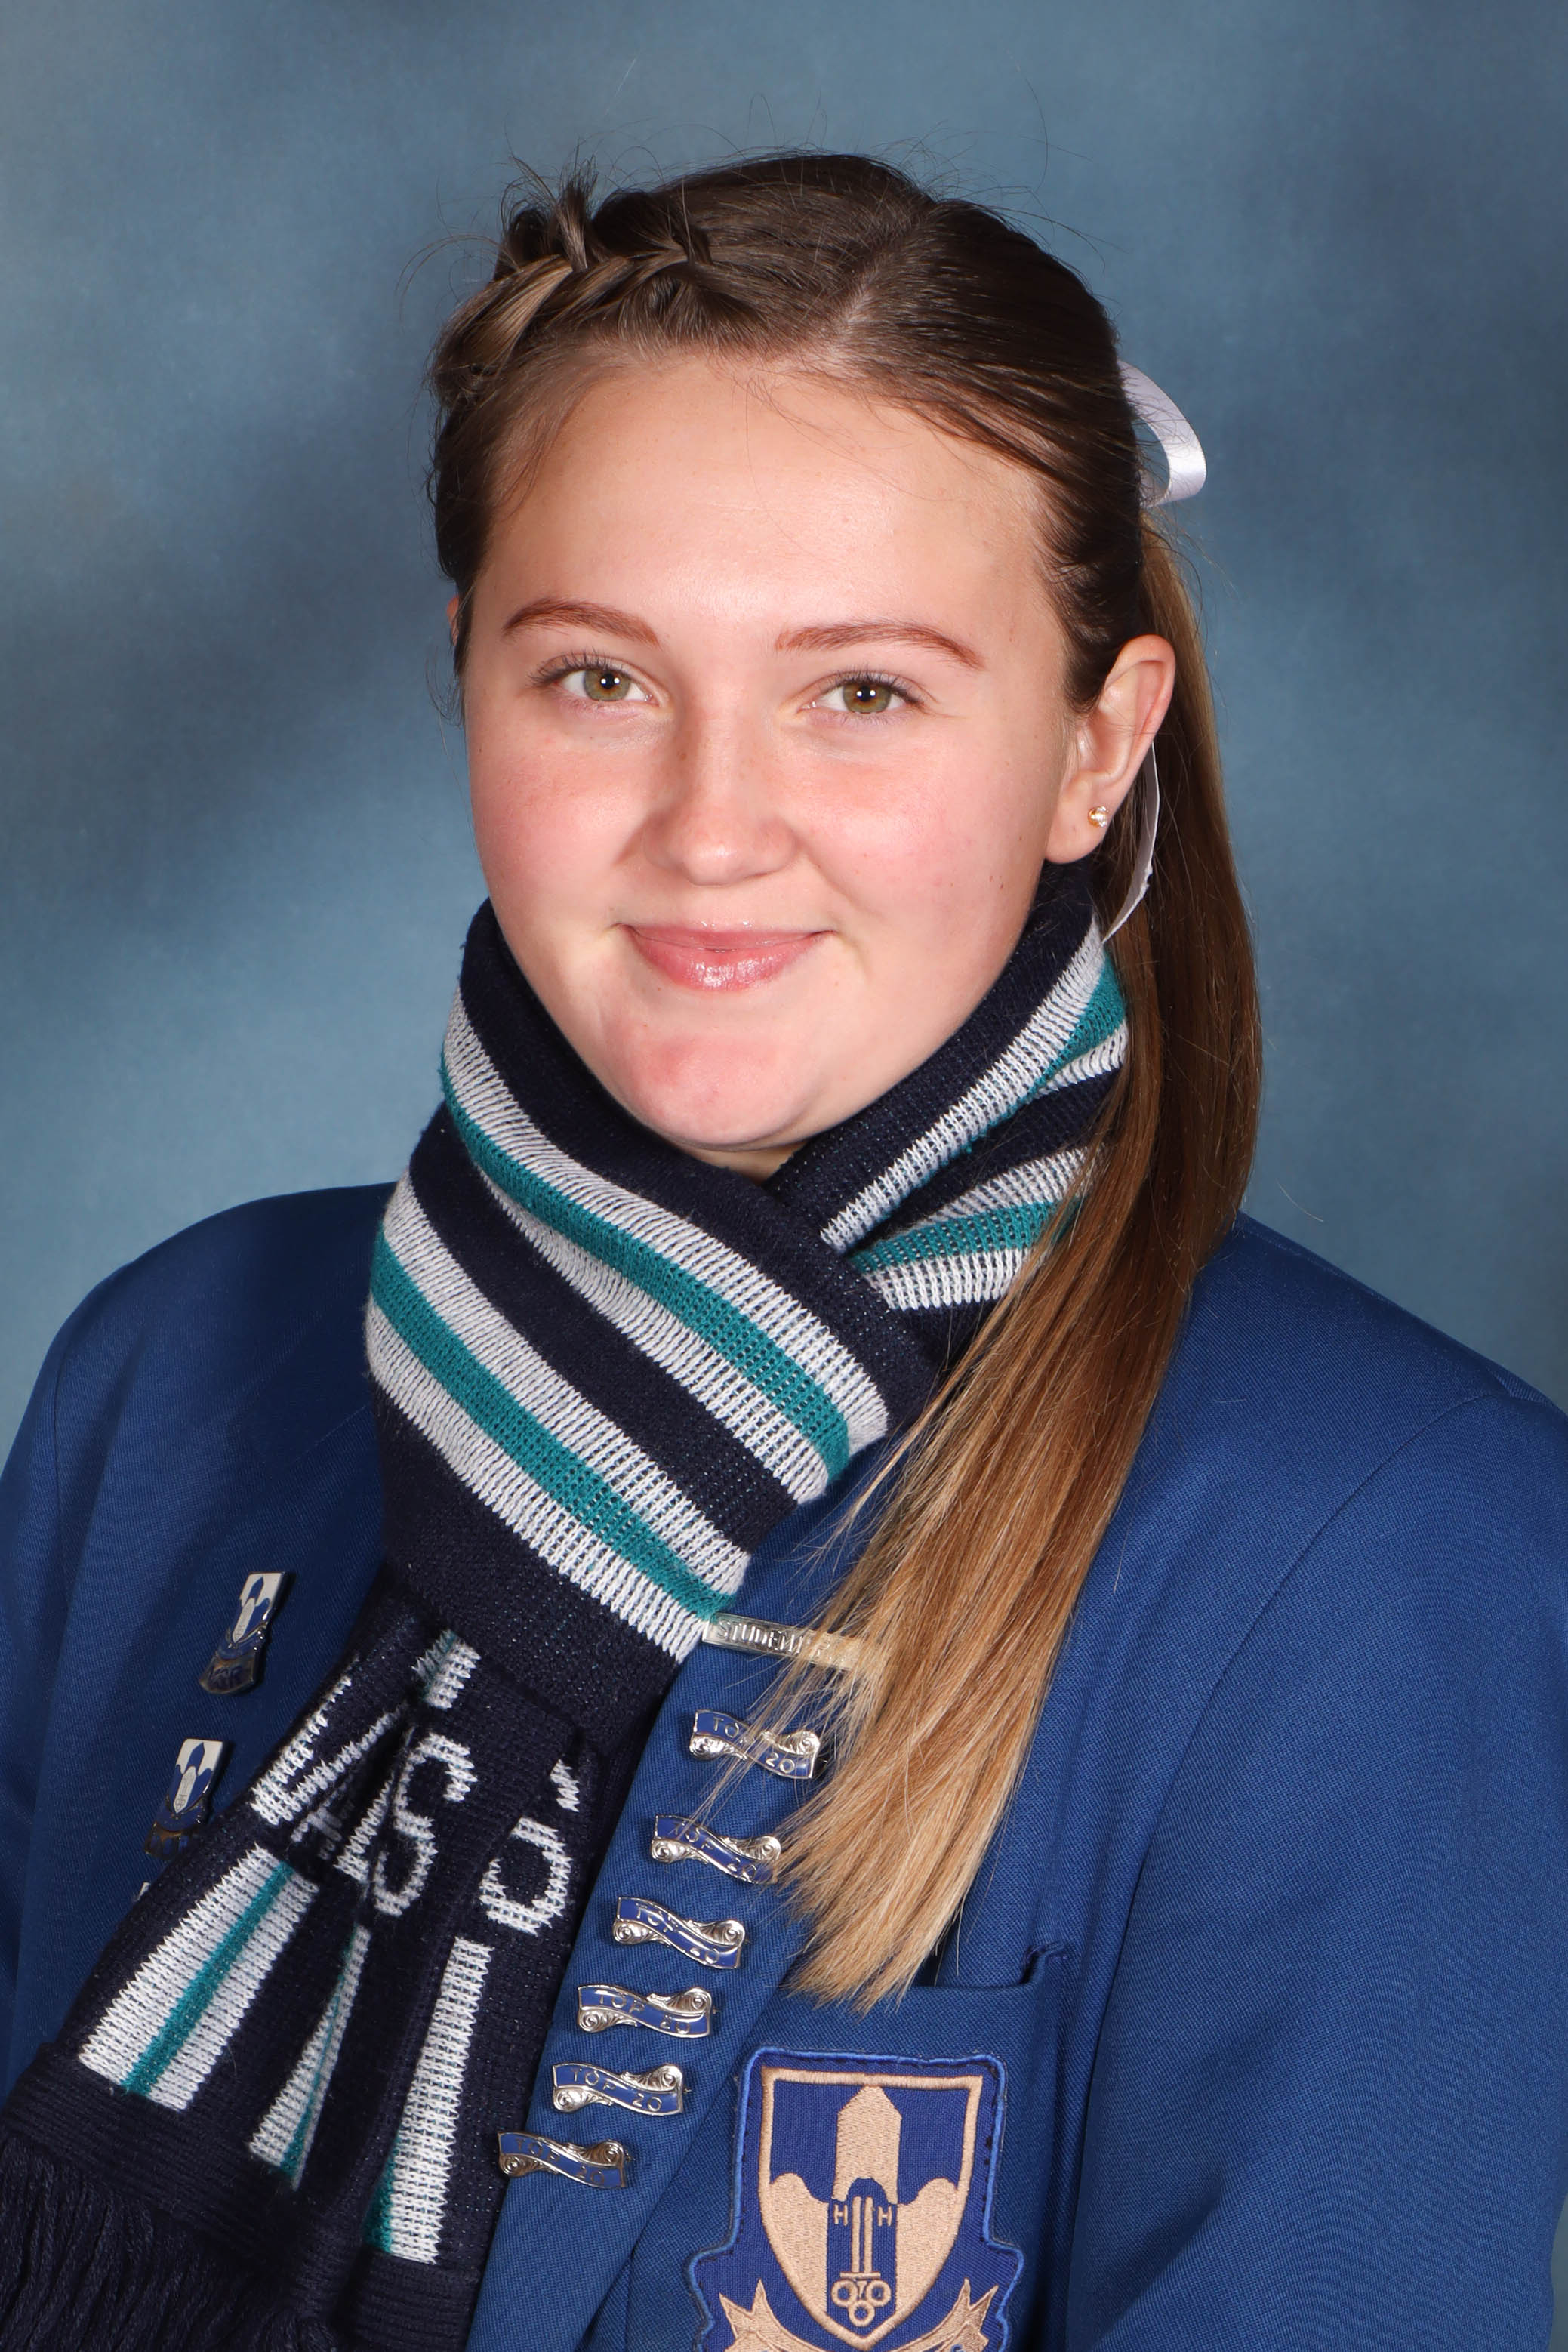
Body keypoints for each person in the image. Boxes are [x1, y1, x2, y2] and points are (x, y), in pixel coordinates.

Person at [0, 151, 1563, 2352]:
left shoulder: (1390, 1550)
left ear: (1094, 749)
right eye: (598, 679)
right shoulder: (166, 1377)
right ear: (466, 680)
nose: (712, 829)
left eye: (864, 694)